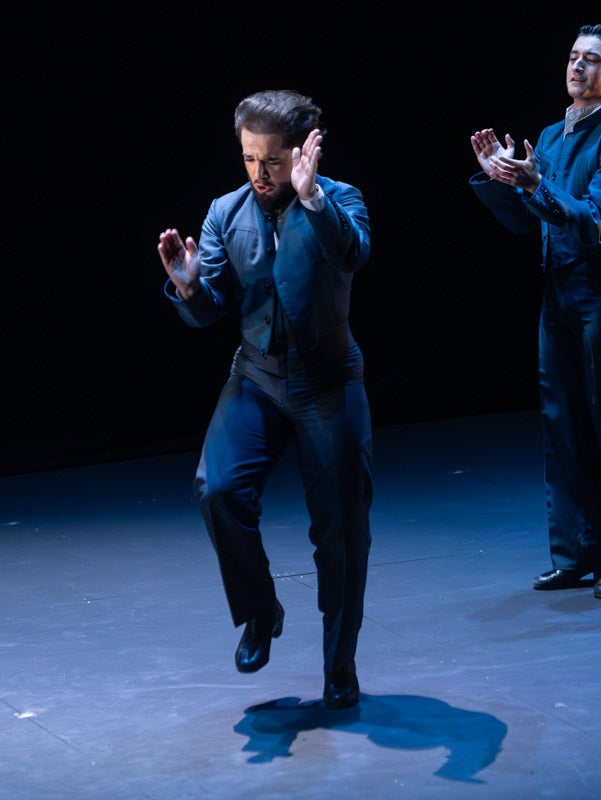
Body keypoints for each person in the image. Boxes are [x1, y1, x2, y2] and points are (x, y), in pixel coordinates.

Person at [156, 89, 373, 709]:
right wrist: (190, 289)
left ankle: (340, 664)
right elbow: (213, 307)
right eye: (249, 159)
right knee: (217, 488)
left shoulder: (340, 200)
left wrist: (311, 197)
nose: (258, 174)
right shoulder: (226, 212)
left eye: (272, 162)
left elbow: (354, 252)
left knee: (342, 530)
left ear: (303, 151)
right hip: (256, 377)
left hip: (329, 383)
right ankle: (260, 610)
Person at [468, 24, 601, 599]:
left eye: (591, 59)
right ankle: (575, 554)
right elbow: (530, 220)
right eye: (573, 56)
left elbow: (594, 221)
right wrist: (506, 177)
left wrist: (535, 185)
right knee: (563, 424)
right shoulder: (550, 134)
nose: (577, 66)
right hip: (558, 292)